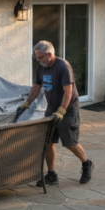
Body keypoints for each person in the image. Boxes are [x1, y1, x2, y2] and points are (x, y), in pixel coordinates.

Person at [20, 41, 94, 186]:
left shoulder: (63, 66)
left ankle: (86, 164)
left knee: (70, 143)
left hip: (68, 109)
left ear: (49, 54)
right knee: (48, 142)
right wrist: (27, 102)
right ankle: (52, 175)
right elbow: (36, 86)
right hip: (51, 109)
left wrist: (61, 111)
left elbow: (69, 91)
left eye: (41, 57)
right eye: (37, 57)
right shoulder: (41, 66)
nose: (38, 60)